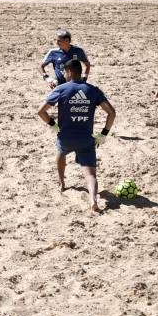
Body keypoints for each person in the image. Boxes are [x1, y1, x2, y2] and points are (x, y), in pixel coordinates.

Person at [37, 59, 116, 213]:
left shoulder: (61, 89)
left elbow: (41, 111)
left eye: (65, 72)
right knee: (90, 174)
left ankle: (61, 182)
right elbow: (111, 113)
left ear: (70, 72)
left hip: (65, 136)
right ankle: (93, 200)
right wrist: (103, 134)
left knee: (61, 152)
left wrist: (52, 125)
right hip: (86, 139)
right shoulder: (93, 90)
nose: (64, 75)